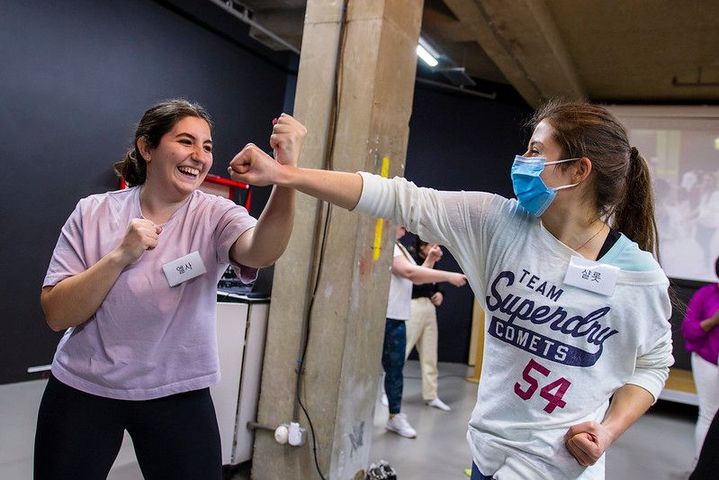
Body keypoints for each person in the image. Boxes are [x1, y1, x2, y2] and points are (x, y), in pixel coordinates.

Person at [228, 100, 674, 479]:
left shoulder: (637, 276)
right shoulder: (497, 223)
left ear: (578, 170)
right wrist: (289, 175)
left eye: (537, 151)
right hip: (486, 452)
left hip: (555, 465)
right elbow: (397, 197)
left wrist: (609, 429)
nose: (523, 160)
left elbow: (653, 362)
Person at [35, 99, 305, 480]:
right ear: (147, 148)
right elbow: (57, 314)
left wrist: (285, 172)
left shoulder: (214, 215)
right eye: (185, 141)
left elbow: (262, 251)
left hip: (177, 392)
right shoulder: (93, 211)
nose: (199, 155)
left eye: (207, 146)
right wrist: (119, 256)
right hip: (85, 385)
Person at [383, 225, 466, 438]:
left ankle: (395, 415)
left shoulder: (399, 248)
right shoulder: (390, 246)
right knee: (393, 365)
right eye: (399, 219)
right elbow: (410, 273)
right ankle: (392, 411)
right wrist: (448, 276)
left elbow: (418, 278)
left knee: (397, 367)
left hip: (398, 315)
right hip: (391, 315)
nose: (403, 224)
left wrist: (430, 260)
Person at [405, 237, 453, 411]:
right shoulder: (411, 259)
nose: (435, 248)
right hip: (413, 306)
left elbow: (435, 285)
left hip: (429, 308)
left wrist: (440, 294)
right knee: (401, 351)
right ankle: (386, 393)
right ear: (422, 246)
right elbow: (414, 281)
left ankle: (431, 395)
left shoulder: (434, 263)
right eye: (431, 245)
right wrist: (430, 260)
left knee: (430, 356)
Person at [682, 256, 719, 461]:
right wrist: (712, 322)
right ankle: (701, 464)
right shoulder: (706, 295)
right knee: (709, 414)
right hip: (707, 361)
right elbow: (689, 331)